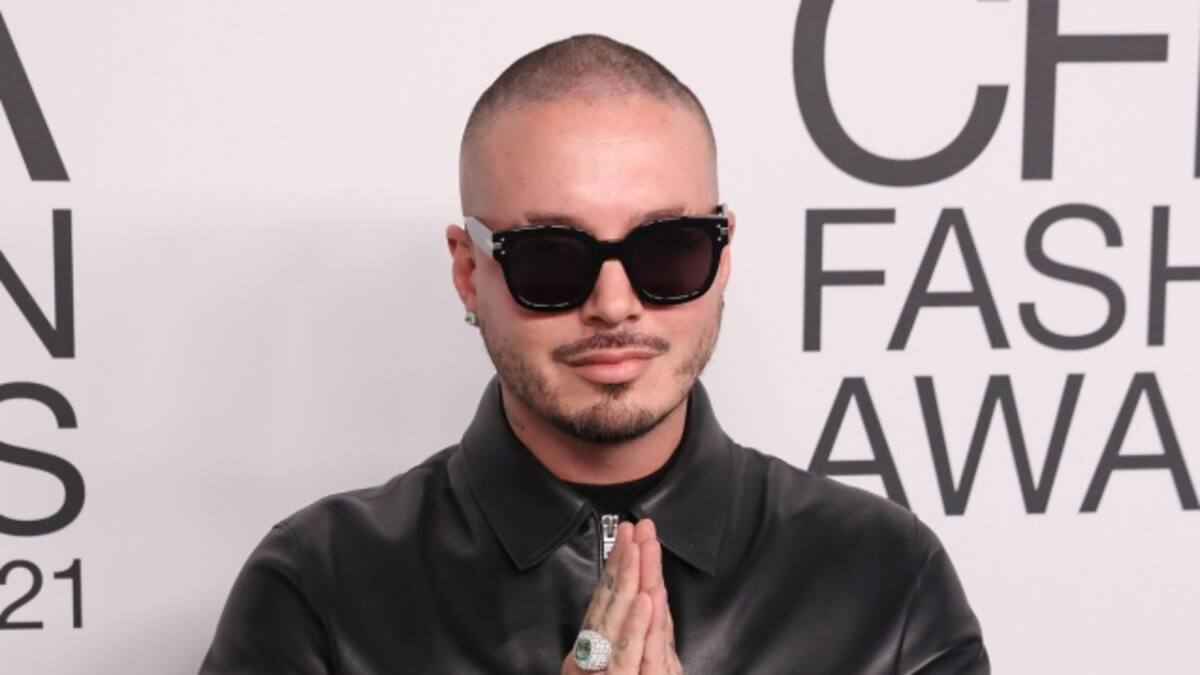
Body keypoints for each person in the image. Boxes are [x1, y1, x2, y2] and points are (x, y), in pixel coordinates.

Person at [199, 33, 988, 674]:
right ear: (470, 272)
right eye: (551, 260)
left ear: (722, 255)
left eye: (670, 251)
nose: (614, 303)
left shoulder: (885, 582)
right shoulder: (320, 588)